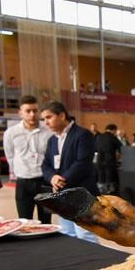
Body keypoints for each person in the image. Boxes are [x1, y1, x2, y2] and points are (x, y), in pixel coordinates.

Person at [41, 101, 99, 243]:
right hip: (62, 194)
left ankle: (95, 262)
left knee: (85, 234)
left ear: (61, 115)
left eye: (49, 117)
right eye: (44, 119)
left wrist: (62, 180)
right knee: (68, 233)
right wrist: (52, 177)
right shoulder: (52, 140)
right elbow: (46, 164)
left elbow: (83, 163)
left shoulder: (82, 134)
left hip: (81, 192)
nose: (46, 123)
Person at [3, 95, 52, 223]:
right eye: (28, 111)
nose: (32, 114)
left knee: (46, 221)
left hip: (45, 182)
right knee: (25, 222)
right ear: (20, 113)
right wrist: (20, 171)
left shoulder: (48, 131)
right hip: (23, 183)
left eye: (35, 111)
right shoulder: (11, 133)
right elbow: (10, 156)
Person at [95, 124, 121, 194]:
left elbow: (95, 148)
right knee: (110, 185)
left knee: (101, 184)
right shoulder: (112, 137)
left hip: (100, 163)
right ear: (113, 130)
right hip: (110, 163)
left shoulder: (99, 137)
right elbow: (121, 148)